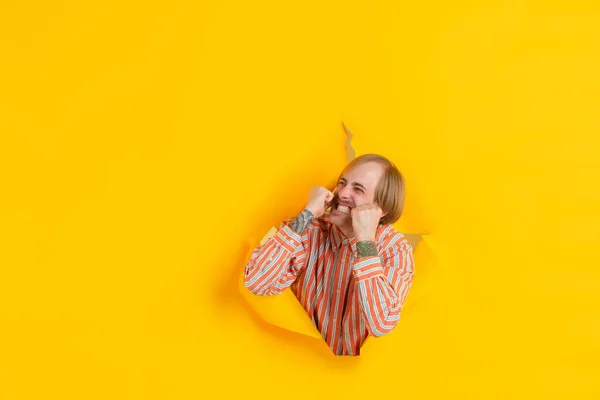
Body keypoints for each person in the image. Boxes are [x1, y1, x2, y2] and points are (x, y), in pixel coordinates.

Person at [243, 154, 415, 356]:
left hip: (357, 378)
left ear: (381, 209)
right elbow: (257, 282)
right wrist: (306, 213)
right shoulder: (308, 229)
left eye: (357, 189)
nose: (342, 193)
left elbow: (382, 323)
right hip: (298, 365)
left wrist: (365, 242)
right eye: (342, 183)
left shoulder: (395, 249)